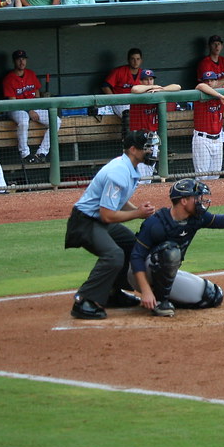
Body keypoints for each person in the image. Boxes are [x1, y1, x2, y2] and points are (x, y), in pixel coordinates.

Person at [129, 179, 224, 317]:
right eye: (196, 197)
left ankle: (166, 296)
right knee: (170, 252)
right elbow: (136, 256)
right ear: (184, 201)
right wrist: (146, 291)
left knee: (213, 296)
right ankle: (160, 302)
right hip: (142, 273)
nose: (200, 201)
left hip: (165, 273)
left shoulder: (196, 218)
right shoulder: (156, 223)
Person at [63, 129, 157, 320]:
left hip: (96, 219)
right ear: (133, 149)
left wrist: (137, 210)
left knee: (133, 246)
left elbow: (118, 201)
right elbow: (107, 215)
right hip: (85, 222)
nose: (151, 152)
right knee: (114, 255)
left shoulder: (129, 167)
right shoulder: (119, 172)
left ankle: (112, 293)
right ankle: (84, 301)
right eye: (147, 148)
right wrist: (137, 213)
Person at [2, 49, 60, 162]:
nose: (21, 62)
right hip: (16, 109)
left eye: (23, 59)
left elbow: (37, 92)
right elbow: (13, 102)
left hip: (33, 108)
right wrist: (30, 111)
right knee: (23, 120)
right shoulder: (8, 79)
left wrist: (41, 101)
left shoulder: (31, 74)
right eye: (19, 59)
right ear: (14, 61)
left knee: (56, 121)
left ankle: (42, 153)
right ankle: (25, 154)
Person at [128, 68, 182, 179]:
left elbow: (178, 87)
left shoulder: (158, 93)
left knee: (148, 176)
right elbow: (135, 89)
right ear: (141, 81)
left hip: (153, 138)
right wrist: (151, 87)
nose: (149, 81)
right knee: (139, 177)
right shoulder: (137, 92)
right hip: (138, 139)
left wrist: (161, 89)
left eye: (151, 79)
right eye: (146, 80)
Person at [191, 70, 224, 178]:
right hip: (202, 139)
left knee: (215, 176)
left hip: (218, 139)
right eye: (207, 81)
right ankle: (199, 195)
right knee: (202, 175)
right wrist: (221, 96)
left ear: (217, 81)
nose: (209, 83)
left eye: (212, 80)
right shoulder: (200, 94)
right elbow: (200, 86)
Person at [102, 47, 145, 121]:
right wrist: (113, 99)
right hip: (120, 102)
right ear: (128, 60)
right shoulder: (119, 71)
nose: (135, 62)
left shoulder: (144, 73)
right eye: (132, 59)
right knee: (129, 117)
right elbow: (105, 86)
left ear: (141, 60)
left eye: (138, 59)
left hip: (137, 102)